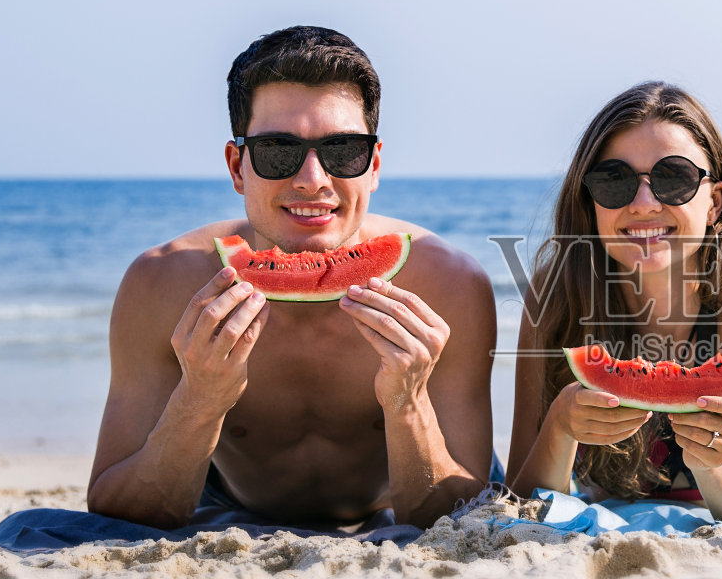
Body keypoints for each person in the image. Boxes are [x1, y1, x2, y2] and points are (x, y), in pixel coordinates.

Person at [85, 26, 495, 530]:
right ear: (238, 167)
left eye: (343, 150)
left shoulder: (450, 284)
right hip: (224, 497)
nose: (313, 179)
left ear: (374, 166)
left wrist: (407, 401)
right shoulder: (161, 284)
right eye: (278, 150)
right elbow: (115, 510)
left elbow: (457, 517)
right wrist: (200, 399)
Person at [505, 82, 722, 525]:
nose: (643, 204)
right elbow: (521, 502)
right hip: (627, 476)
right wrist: (559, 426)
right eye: (614, 181)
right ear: (590, 200)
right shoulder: (553, 293)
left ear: (715, 202)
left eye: (673, 178)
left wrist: (714, 464)